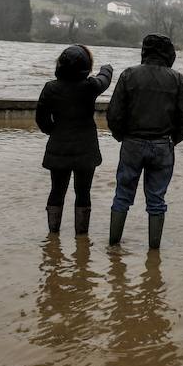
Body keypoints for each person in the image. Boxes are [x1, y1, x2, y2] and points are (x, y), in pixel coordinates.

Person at [106, 34, 183, 249]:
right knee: (157, 201)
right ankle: (153, 253)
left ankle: (113, 247)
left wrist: (122, 137)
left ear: (145, 51)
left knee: (122, 196)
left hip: (132, 143)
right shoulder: (178, 79)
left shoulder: (129, 75)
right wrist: (172, 140)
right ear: (169, 54)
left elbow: (114, 115)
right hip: (163, 145)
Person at [36, 45, 112, 235]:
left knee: (56, 191)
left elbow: (41, 118)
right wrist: (107, 68)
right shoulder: (90, 87)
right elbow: (105, 80)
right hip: (86, 149)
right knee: (83, 192)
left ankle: (53, 234)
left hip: (58, 148)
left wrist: (53, 131)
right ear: (86, 67)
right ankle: (81, 235)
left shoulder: (50, 88)